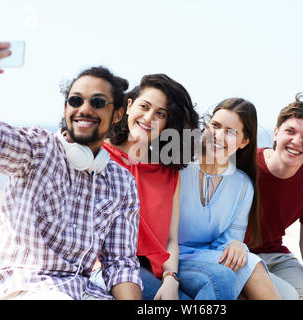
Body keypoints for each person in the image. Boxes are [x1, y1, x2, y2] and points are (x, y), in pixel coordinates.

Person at [0, 34, 142, 300]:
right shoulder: (38, 149)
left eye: (98, 102)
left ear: (117, 114)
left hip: (83, 291)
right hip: (22, 288)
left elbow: (121, 263)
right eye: (75, 100)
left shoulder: (122, 182)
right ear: (65, 108)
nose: (84, 108)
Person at [91, 74, 236, 300]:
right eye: (144, 107)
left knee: (224, 279)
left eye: (160, 114)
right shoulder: (98, 155)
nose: (149, 118)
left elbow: (171, 240)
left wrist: (171, 279)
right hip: (112, 264)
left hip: (157, 265)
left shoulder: (168, 173)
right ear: (129, 106)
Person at [178, 98, 281, 300]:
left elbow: (229, 240)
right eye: (215, 126)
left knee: (252, 264)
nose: (218, 136)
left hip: (207, 258)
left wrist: (236, 245)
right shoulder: (179, 168)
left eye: (230, 132)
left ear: (244, 142)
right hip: (171, 257)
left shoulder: (243, 186)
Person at [244, 93, 303, 300]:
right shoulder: (246, 163)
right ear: (275, 133)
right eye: (290, 131)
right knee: (287, 296)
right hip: (239, 254)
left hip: (276, 255)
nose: (296, 141)